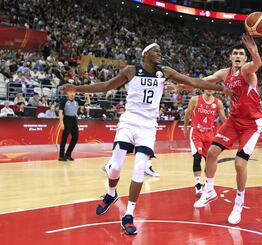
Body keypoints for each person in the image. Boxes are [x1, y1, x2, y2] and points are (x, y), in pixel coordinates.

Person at [61, 43, 234, 235]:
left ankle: (129, 215)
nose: (160, 54)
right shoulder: (131, 70)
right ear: (146, 54)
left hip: (148, 126)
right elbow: (104, 86)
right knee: (115, 167)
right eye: (156, 51)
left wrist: (221, 89)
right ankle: (111, 194)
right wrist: (76, 87)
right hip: (129, 121)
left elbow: (194, 82)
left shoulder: (165, 72)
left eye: (160, 51)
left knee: (139, 168)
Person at [193, 34, 262, 225]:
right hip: (234, 121)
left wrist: (253, 51)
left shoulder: (248, 71)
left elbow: (256, 63)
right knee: (212, 152)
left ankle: (238, 204)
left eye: (241, 53)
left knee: (240, 164)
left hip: (251, 124)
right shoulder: (224, 73)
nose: (238, 56)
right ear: (230, 58)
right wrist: (181, 86)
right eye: (235, 53)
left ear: (245, 58)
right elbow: (202, 82)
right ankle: (209, 191)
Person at [183, 90, 227, 196]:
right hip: (196, 133)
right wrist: (185, 127)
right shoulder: (195, 99)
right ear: (203, 87)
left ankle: (208, 185)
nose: (210, 89)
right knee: (197, 157)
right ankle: (197, 184)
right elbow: (188, 113)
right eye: (207, 86)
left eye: (212, 86)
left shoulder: (218, 102)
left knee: (210, 160)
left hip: (209, 134)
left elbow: (224, 119)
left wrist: (230, 132)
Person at [58, 92, 90, 161]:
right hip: (66, 119)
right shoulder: (64, 101)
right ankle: (61, 155)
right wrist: (61, 123)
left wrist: (87, 96)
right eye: (70, 93)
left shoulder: (77, 100)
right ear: (67, 94)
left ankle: (68, 154)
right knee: (64, 138)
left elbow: (88, 102)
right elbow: (60, 112)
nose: (72, 94)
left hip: (74, 119)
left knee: (75, 137)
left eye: (73, 93)